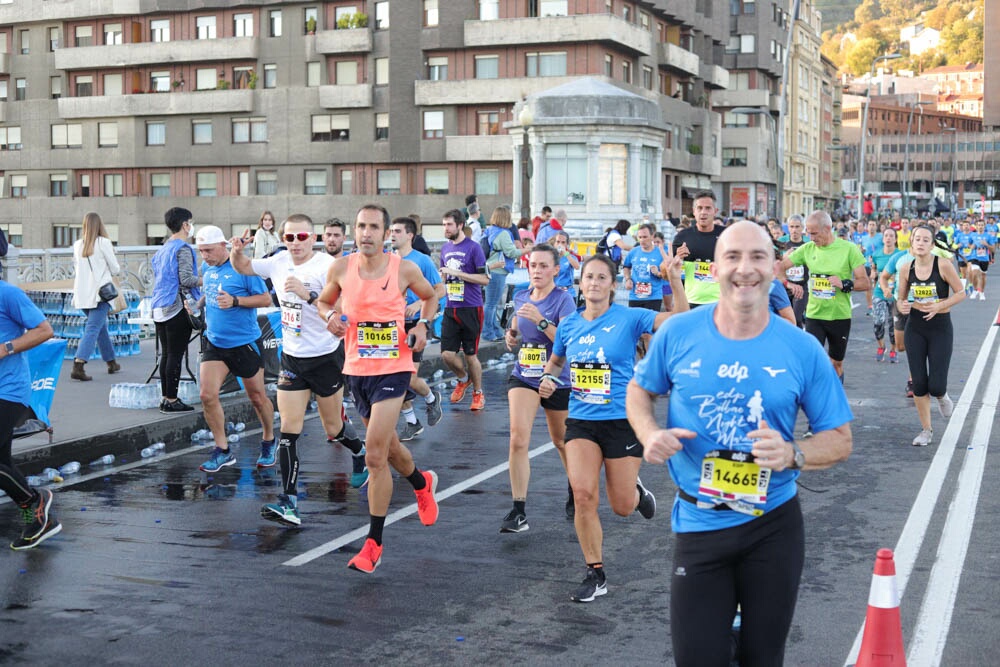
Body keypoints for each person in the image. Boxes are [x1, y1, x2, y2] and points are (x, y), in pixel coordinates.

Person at [627, 221, 853, 665]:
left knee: (761, 659)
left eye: (757, 257)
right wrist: (649, 433)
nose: (744, 269)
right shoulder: (678, 332)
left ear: (775, 269)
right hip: (699, 522)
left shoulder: (801, 348)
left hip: (772, 527)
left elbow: (840, 439)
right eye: (733, 257)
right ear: (714, 269)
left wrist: (794, 453)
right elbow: (639, 390)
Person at [539, 253, 688, 603]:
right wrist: (548, 376)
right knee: (584, 495)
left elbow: (680, 319)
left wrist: (675, 279)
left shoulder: (630, 317)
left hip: (622, 420)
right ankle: (596, 572)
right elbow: (557, 359)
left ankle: (636, 494)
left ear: (613, 285)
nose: (593, 283)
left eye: (601, 278)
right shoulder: (570, 325)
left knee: (621, 505)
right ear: (580, 283)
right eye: (588, 277)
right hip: (581, 420)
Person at [318, 203, 440, 573]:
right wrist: (330, 319)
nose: (365, 233)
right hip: (358, 370)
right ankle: (422, 482)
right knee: (387, 447)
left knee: (373, 455)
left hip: (395, 368)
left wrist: (422, 326)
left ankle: (373, 543)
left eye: (373, 227)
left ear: (386, 233)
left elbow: (431, 295)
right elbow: (325, 302)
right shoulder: (341, 267)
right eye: (360, 226)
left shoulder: (404, 269)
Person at [229, 214, 368, 527]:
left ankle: (359, 452)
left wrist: (309, 296)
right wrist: (237, 251)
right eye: (289, 238)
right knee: (289, 430)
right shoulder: (278, 262)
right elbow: (245, 267)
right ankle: (289, 501)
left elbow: (345, 309)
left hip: (325, 358)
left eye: (301, 237)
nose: (295, 244)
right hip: (292, 359)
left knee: (332, 428)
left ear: (314, 237)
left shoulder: (326, 267)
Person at [500, 243, 577, 533]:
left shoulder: (563, 300)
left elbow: (568, 341)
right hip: (524, 375)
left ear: (556, 270)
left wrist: (542, 321)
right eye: (533, 265)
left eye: (544, 266)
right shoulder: (521, 296)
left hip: (557, 377)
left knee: (561, 441)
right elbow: (517, 333)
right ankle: (518, 511)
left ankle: (576, 487)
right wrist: (511, 337)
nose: (537, 270)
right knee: (518, 438)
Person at [192, 225, 276, 473]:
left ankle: (269, 440)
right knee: (207, 395)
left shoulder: (243, 268)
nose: (205, 256)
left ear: (223, 245)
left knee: (257, 398)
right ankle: (222, 450)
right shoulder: (207, 268)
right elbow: (210, 293)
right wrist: (197, 306)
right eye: (201, 251)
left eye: (208, 250)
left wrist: (236, 301)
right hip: (215, 343)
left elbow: (265, 299)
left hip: (244, 343)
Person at [0, 280, 60, 549]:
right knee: (3, 464)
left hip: (8, 390)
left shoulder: (8, 294)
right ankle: (36, 519)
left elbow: (45, 330)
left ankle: (35, 501)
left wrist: (5, 348)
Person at [896, 226, 966, 446]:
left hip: (940, 328)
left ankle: (942, 396)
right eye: (917, 239)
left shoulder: (943, 265)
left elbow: (961, 293)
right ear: (912, 243)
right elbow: (900, 299)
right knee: (918, 383)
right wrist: (903, 306)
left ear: (932, 244)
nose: (921, 243)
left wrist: (939, 306)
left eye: (926, 240)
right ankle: (926, 430)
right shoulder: (906, 269)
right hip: (915, 328)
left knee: (935, 385)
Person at [779, 211, 869, 382]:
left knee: (836, 363)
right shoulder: (807, 249)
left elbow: (865, 283)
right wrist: (788, 284)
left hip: (839, 316)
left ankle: (835, 399)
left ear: (827, 229)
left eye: (814, 233)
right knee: (812, 362)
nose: (811, 238)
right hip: (814, 315)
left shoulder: (849, 249)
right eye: (808, 233)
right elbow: (779, 269)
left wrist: (844, 284)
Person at [389, 216, 444, 441]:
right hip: (392, 324)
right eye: (391, 230)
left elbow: (440, 290)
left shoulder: (422, 261)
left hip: (416, 324)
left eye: (398, 231)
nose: (392, 234)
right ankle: (412, 421)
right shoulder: (387, 261)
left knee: (408, 378)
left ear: (410, 235)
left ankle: (432, 399)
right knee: (392, 377)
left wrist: (417, 304)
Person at [150, 207, 201, 413]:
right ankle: (172, 399)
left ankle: (165, 397)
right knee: (176, 354)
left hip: (159, 305)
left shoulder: (162, 249)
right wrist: (209, 279)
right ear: (185, 225)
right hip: (177, 305)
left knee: (166, 354)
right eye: (190, 222)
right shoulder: (183, 249)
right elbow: (187, 279)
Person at [439, 209, 489, 411]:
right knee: (446, 355)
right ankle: (463, 379)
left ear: (460, 225)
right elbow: (443, 278)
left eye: (449, 224)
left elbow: (485, 279)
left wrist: (457, 272)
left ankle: (478, 393)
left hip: (471, 307)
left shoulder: (474, 248)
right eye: (443, 225)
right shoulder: (444, 249)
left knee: (470, 355)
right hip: (451, 307)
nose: (446, 228)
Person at [70, 212, 121, 381]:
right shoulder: (104, 242)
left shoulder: (78, 245)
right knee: (93, 328)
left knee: (99, 328)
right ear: (100, 225)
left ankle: (111, 362)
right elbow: (115, 269)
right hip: (100, 294)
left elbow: (77, 269)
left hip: (82, 295)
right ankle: (79, 364)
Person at [672, 190, 726, 307]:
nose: (703, 212)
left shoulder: (726, 235)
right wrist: (677, 259)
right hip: (691, 301)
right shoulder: (682, 237)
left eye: (708, 208)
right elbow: (667, 272)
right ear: (694, 211)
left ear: (715, 211)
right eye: (699, 208)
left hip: (720, 302)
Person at [482, 206, 522, 342]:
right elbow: (511, 252)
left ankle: (495, 330)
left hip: (490, 270)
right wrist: (527, 250)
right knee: (491, 304)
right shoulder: (503, 234)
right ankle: (488, 332)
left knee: (490, 303)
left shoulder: (490, 230)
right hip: (498, 271)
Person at [871, 227, 899, 362]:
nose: (888, 238)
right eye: (886, 236)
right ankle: (881, 346)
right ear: (883, 239)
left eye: (891, 236)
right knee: (878, 322)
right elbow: (874, 269)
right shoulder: (876, 254)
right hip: (879, 292)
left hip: (895, 294)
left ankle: (893, 350)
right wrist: (873, 273)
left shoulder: (900, 255)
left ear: (895, 239)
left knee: (893, 324)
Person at [781, 214, 809, 328]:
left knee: (796, 318)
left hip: (801, 287)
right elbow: (774, 265)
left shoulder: (807, 245)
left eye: (797, 227)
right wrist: (784, 258)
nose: (794, 230)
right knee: (785, 319)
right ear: (788, 228)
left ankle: (798, 342)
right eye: (792, 227)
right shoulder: (782, 244)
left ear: (802, 228)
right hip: (785, 286)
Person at [552, 231, 581, 298]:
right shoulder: (550, 257)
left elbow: (577, 267)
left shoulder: (570, 257)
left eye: (563, 242)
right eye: (558, 242)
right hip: (554, 292)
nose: (560, 244)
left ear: (567, 244)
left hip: (568, 292)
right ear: (554, 243)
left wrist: (566, 253)